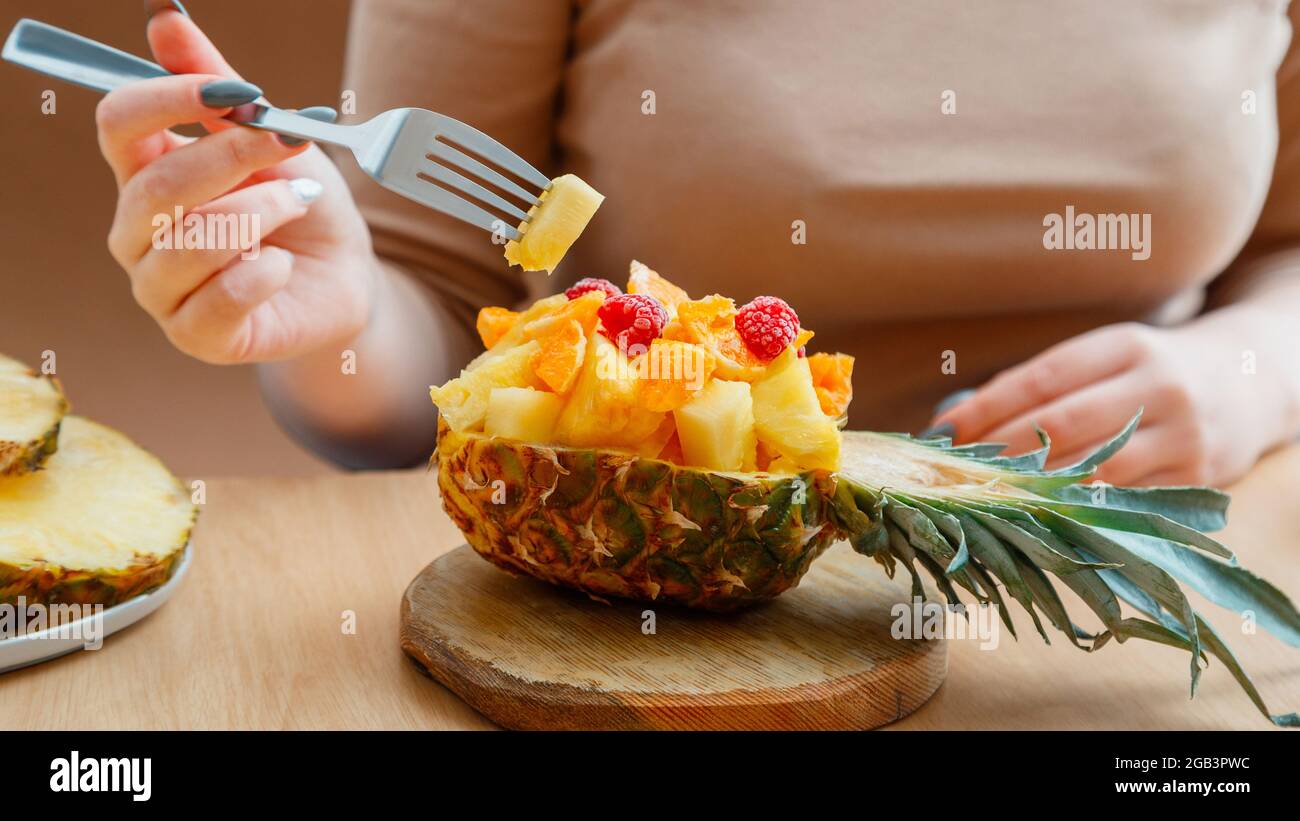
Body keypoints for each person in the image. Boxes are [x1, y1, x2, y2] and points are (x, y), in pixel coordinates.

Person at [103, 0, 1300, 486]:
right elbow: (428, 320)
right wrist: (342, 315)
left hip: (1127, 595)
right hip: (660, 638)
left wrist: (1251, 366)